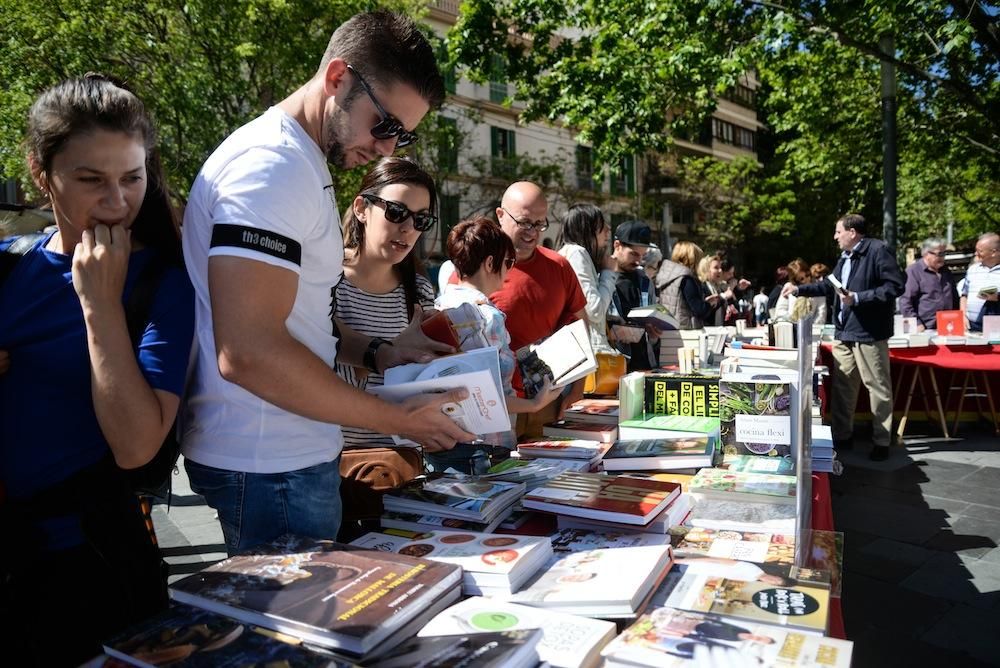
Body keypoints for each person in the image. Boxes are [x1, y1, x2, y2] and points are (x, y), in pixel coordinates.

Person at [179, 11, 474, 556]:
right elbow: (247, 352)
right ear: (337, 77)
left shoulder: (297, 161)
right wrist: (396, 417)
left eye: (404, 135)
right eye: (384, 125)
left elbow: (299, 323)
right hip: (270, 464)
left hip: (286, 457)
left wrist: (379, 353)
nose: (389, 148)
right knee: (288, 640)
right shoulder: (271, 167)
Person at [0, 75, 195, 665]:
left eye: (131, 179)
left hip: (94, 568)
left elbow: (137, 445)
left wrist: (99, 305)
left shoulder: (165, 281)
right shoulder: (8, 270)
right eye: (90, 180)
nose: (116, 203)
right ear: (41, 173)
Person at [430, 217, 562, 473]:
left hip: (442, 440)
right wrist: (536, 404)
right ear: (490, 263)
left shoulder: (439, 307)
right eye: (508, 263)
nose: (509, 270)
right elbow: (487, 397)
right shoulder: (487, 317)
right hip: (483, 447)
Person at [334, 157, 437, 447]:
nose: (408, 228)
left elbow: (426, 383)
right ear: (361, 209)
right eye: (396, 211)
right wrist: (386, 352)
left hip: (402, 460)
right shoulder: (323, 278)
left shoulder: (418, 291)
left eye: (421, 219)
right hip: (330, 462)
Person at [787, 214, 904, 461]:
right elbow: (831, 287)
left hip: (869, 333)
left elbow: (895, 286)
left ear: (852, 232)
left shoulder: (879, 250)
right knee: (843, 387)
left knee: (878, 387)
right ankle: (842, 436)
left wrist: (859, 298)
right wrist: (799, 289)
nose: (835, 236)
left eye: (838, 231)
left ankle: (881, 441)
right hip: (844, 331)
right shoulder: (845, 257)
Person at [491, 181, 588, 437]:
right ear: (500, 215)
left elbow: (580, 325)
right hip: (497, 404)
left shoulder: (559, 266)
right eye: (524, 222)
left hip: (549, 400)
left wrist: (578, 388)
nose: (531, 232)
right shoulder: (478, 267)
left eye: (539, 224)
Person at [556, 203, 617, 354]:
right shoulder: (577, 253)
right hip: (588, 350)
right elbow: (594, 310)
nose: (607, 231)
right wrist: (608, 273)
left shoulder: (567, 252)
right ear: (587, 229)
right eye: (601, 225)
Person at [608, 220, 660, 371]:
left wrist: (653, 332)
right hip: (612, 366)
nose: (638, 261)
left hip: (644, 365)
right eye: (634, 254)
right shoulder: (601, 279)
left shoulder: (645, 281)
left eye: (642, 255)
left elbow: (650, 333)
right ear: (617, 245)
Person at [656, 240, 721, 329]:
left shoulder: (667, 277)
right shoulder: (686, 279)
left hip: (668, 329)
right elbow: (699, 310)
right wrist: (709, 304)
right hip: (686, 332)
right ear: (692, 259)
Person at [899, 237, 957, 331]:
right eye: (939, 254)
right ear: (926, 253)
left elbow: (954, 299)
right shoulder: (913, 271)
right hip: (924, 327)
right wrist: (916, 323)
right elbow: (905, 301)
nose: (942, 257)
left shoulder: (946, 271)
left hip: (948, 327)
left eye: (944, 253)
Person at [960, 232, 1000, 332]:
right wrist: (962, 316)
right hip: (972, 326)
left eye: (980, 251)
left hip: (996, 328)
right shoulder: (972, 270)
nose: (975, 254)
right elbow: (964, 295)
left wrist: (997, 297)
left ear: (993, 252)